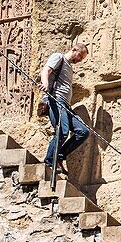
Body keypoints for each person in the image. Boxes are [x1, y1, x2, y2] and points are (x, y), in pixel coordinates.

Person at [40, 43, 90, 174]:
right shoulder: (58, 57)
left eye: (82, 58)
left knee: (83, 131)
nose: (79, 60)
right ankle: (50, 162)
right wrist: (45, 82)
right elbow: (46, 70)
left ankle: (60, 156)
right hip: (55, 99)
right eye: (80, 56)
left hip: (65, 105)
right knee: (62, 130)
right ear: (74, 50)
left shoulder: (69, 67)